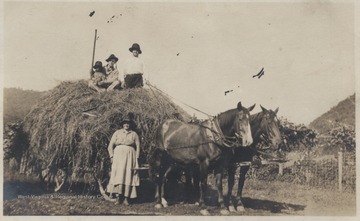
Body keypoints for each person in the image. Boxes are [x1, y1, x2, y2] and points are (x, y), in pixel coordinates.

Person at [106, 117, 140, 205]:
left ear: (130, 125)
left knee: (128, 175)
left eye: (128, 123)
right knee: (119, 175)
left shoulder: (134, 134)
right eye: (125, 123)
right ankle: (118, 197)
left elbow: (138, 147)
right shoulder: (117, 133)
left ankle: (126, 198)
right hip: (118, 156)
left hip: (130, 156)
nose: (126, 125)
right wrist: (112, 156)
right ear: (122, 124)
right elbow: (110, 146)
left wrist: (136, 158)